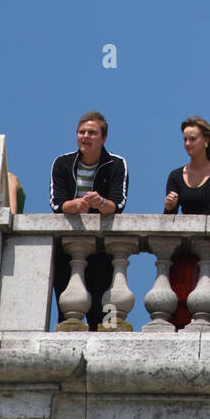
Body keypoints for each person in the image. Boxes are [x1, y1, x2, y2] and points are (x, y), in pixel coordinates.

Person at [50, 111, 128, 330]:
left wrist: (100, 203)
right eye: (81, 132)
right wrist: (77, 205)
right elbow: (57, 204)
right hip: (67, 250)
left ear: (103, 138)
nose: (85, 136)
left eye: (92, 133)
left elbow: (118, 205)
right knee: (67, 314)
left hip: (105, 251)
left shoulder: (117, 164)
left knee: (106, 317)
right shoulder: (62, 163)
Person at [163, 116, 210, 329]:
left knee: (200, 303)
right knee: (178, 306)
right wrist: (169, 207)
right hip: (183, 251)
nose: (187, 144)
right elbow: (168, 223)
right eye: (185, 139)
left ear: (206, 141)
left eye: (192, 139)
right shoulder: (175, 176)